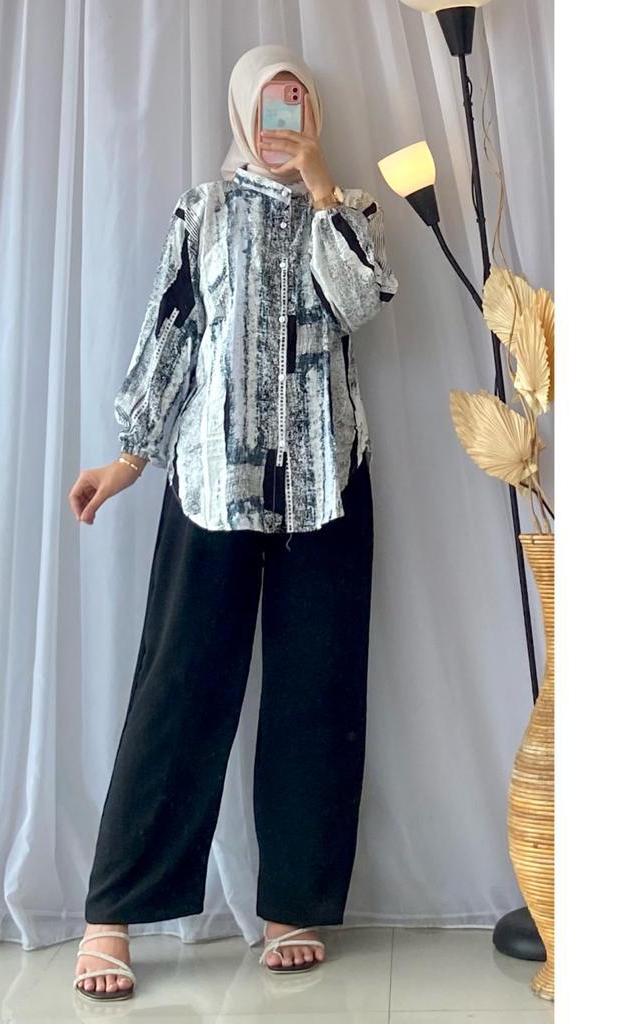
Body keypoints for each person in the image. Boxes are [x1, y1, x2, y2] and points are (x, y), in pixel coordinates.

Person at [67, 43, 398, 1002]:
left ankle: (292, 901)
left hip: (326, 484)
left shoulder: (346, 214)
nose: (282, 119)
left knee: (315, 695)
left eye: (298, 102)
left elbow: (364, 303)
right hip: (213, 483)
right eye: (270, 104)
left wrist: (323, 185)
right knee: (177, 688)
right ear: (243, 112)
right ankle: (112, 912)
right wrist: (129, 457)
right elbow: (173, 331)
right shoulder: (204, 211)